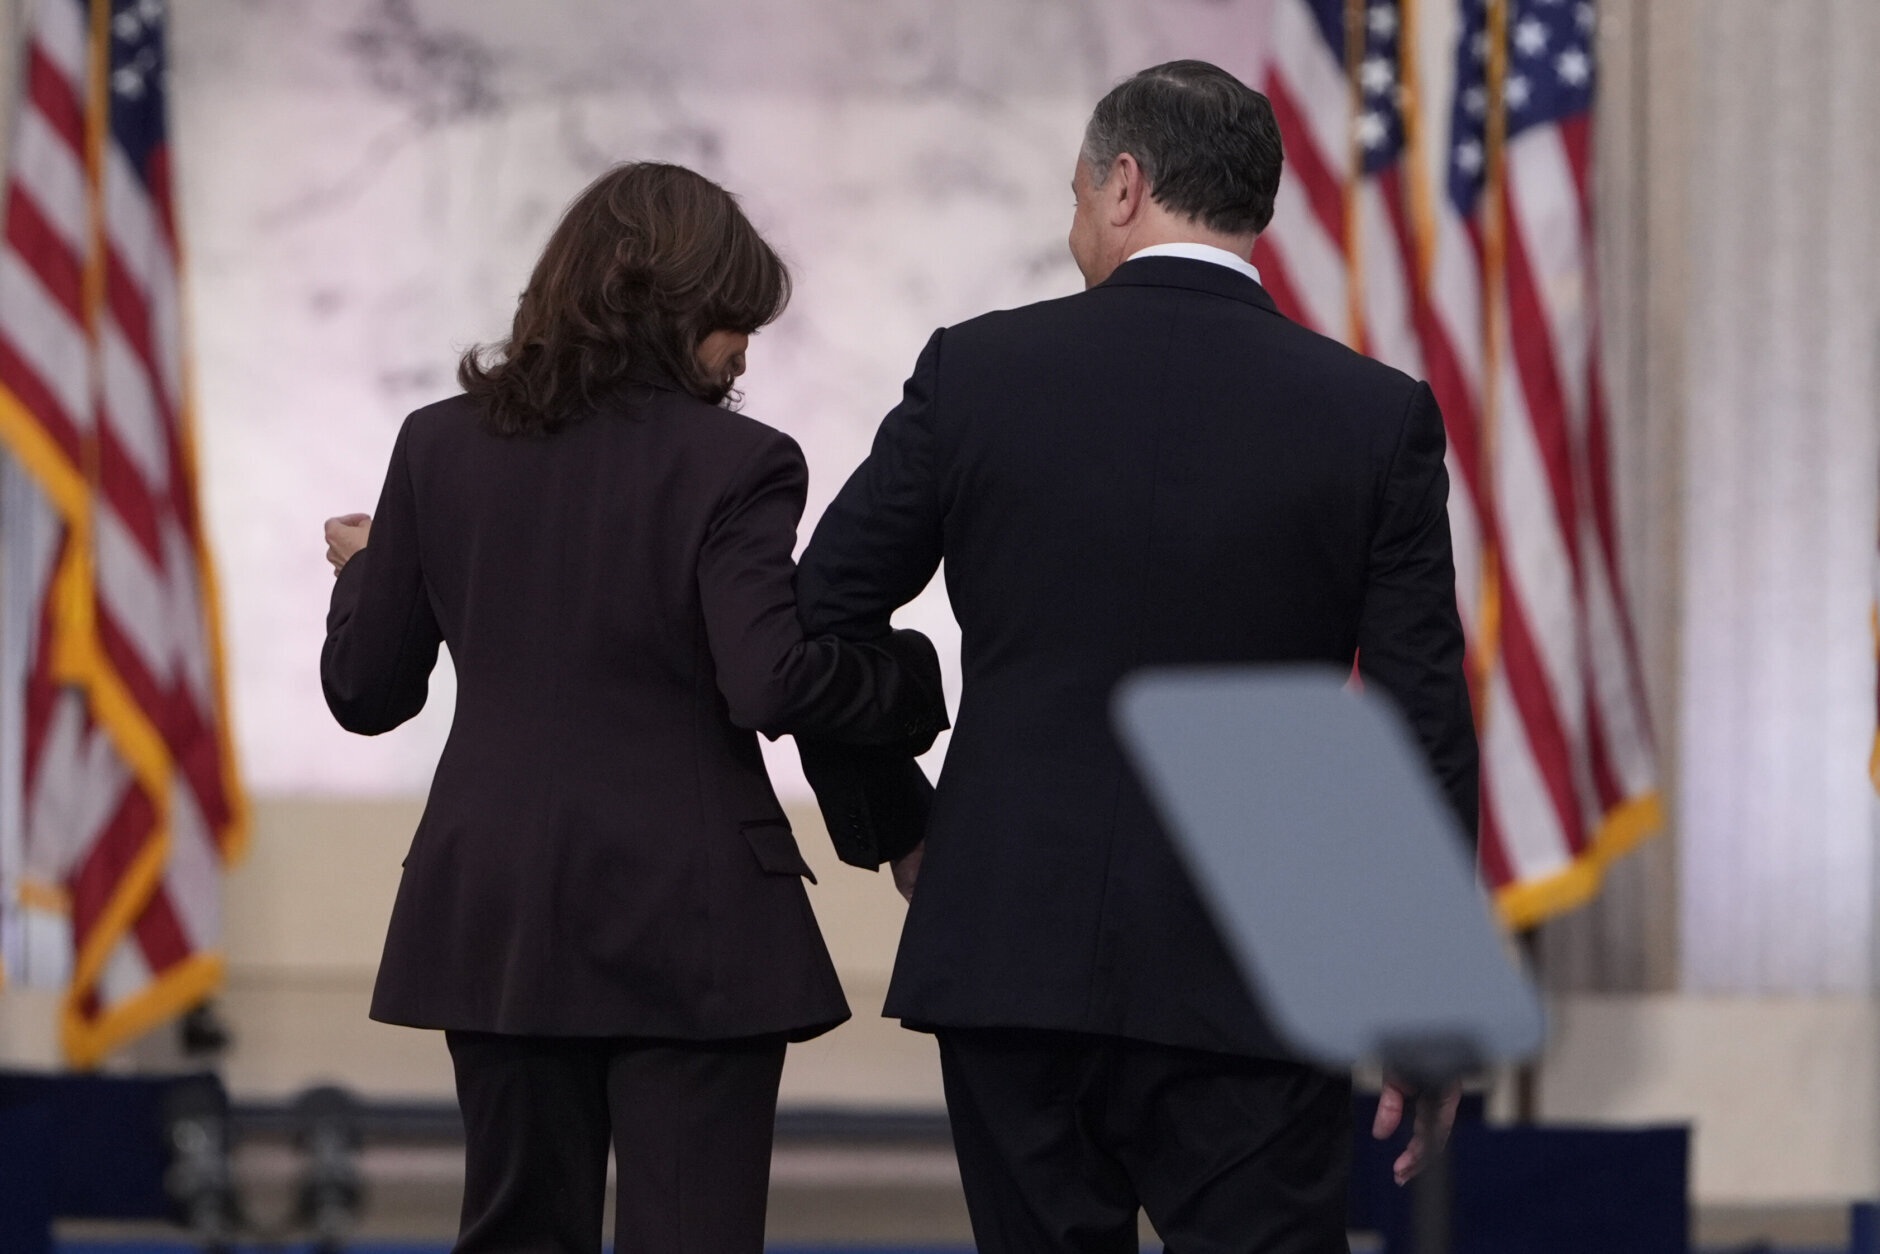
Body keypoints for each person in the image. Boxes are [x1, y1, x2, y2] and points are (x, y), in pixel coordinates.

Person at [794, 61, 1480, 1254]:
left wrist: (901, 824)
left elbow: (817, 622)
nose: (1072, 226)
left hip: (1010, 950)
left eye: (1072, 194)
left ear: (1123, 185)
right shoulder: (1374, 415)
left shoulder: (977, 374)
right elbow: (1418, 714)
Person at [319, 161, 946, 1254]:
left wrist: (368, 572)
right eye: (729, 321)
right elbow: (769, 679)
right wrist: (908, 675)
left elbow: (367, 694)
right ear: (662, 306)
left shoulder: (437, 444)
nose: (744, 350)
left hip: (497, 909)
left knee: (515, 1232)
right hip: (694, 916)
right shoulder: (740, 462)